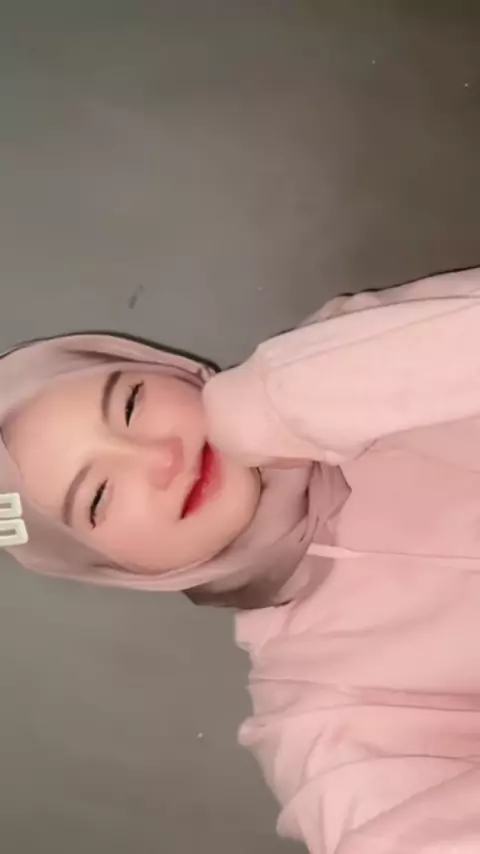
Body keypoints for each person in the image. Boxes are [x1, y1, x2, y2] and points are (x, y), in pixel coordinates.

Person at [2, 265, 480, 852]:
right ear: (112, 568)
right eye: (99, 496)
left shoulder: (342, 354)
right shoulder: (312, 696)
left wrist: (283, 400)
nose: (161, 457)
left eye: (131, 404)